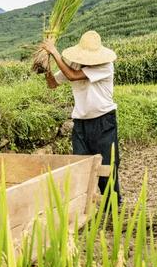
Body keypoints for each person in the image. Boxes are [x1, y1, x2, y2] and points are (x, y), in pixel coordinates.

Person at [41, 30, 121, 204]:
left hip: (103, 122)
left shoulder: (105, 66)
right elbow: (52, 84)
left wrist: (54, 52)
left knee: (107, 169)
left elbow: (73, 76)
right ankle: (84, 209)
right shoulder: (74, 64)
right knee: (81, 168)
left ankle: (114, 209)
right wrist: (46, 65)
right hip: (81, 124)